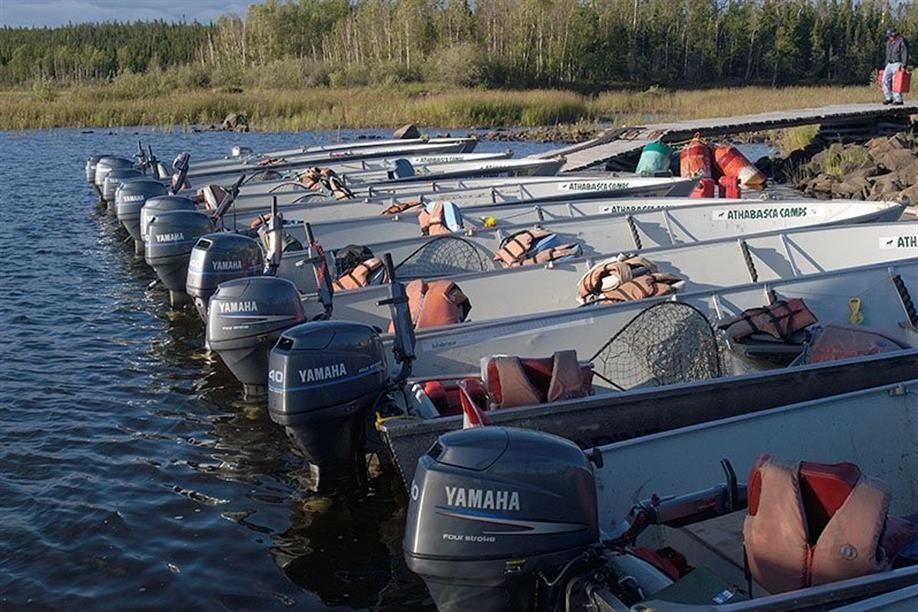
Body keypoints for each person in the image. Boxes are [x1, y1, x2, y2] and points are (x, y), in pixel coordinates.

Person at [882, 27, 908, 105]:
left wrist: (904, 65)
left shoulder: (901, 41)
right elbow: (887, 54)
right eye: (889, 36)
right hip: (889, 64)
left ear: (894, 34)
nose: (889, 37)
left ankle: (898, 99)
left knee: (896, 82)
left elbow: (904, 53)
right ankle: (889, 97)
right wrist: (885, 64)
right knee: (884, 80)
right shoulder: (888, 43)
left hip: (898, 63)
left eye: (890, 35)